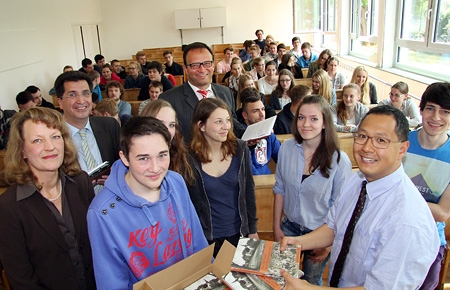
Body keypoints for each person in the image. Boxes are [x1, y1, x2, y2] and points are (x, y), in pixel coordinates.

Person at [280, 105, 439, 289]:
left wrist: (308, 288)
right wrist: (298, 242)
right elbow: (334, 226)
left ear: (402, 149)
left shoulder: (406, 220)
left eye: (381, 140)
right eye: (362, 136)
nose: (366, 148)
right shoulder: (357, 180)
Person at [87, 116, 208, 290]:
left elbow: (198, 242)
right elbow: (111, 283)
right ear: (125, 158)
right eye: (143, 159)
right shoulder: (103, 213)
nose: (155, 168)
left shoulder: (176, 181)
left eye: (162, 155)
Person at [0, 107, 96, 289]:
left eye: (55, 136)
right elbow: (22, 280)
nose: (50, 147)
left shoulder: (80, 181)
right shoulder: (9, 207)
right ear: (22, 151)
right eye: (37, 140)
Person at [273, 95, 352, 285]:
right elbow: (280, 189)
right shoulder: (287, 148)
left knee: (311, 281)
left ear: (325, 123)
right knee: (284, 279)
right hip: (289, 227)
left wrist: (329, 245)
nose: (305, 124)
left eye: (314, 119)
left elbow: (340, 208)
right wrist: (276, 226)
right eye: (301, 117)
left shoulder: (339, 161)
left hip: (320, 231)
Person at [187, 98, 258, 257]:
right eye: (218, 121)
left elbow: (248, 191)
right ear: (201, 126)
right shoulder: (190, 158)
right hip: (208, 237)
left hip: (239, 233)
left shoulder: (240, 149)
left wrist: (252, 230)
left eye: (227, 120)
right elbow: (191, 205)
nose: (226, 126)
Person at [403, 82, 450, 290]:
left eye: (445, 111)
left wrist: (400, 196)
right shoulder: (402, 142)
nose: (436, 117)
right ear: (421, 110)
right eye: (430, 108)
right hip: (393, 234)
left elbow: (441, 213)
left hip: (429, 241)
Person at [160, 42, 245, 141]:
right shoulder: (168, 100)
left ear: (213, 65)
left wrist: (249, 136)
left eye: (207, 63)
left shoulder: (226, 93)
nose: (202, 69)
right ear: (186, 69)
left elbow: (233, 126)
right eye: (195, 65)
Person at [55, 71, 120, 175]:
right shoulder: (54, 137)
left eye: (85, 93)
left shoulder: (109, 125)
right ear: (60, 102)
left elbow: (123, 162)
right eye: (72, 95)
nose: (81, 100)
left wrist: (114, 180)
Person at [140, 99, 196, 187]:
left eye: (171, 125)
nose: (168, 131)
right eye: (161, 124)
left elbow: (196, 198)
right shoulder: (135, 159)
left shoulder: (184, 157)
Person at [240, 88, 280, 175]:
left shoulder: (269, 135)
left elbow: (282, 160)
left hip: (267, 180)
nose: (262, 114)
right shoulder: (241, 136)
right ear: (245, 115)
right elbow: (248, 169)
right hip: (250, 182)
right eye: (256, 111)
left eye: (263, 109)